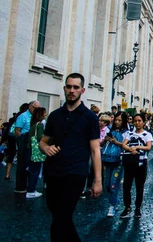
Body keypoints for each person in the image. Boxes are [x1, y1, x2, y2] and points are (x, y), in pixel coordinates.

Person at [39, 73, 102, 241]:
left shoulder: (90, 117)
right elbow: (42, 142)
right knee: (57, 213)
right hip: (53, 171)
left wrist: (97, 180)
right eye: (69, 87)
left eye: (75, 87)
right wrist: (46, 148)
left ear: (82, 90)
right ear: (64, 88)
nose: (71, 91)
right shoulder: (54, 115)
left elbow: (95, 150)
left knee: (62, 216)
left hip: (76, 172)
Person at [120, 113, 153, 219]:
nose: (137, 123)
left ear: (143, 122)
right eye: (135, 121)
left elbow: (148, 147)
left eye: (139, 121)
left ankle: (138, 208)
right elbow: (124, 144)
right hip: (130, 162)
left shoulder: (147, 134)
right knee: (126, 186)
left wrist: (138, 147)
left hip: (141, 163)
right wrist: (130, 149)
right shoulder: (128, 133)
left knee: (139, 187)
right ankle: (127, 207)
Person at [101, 112, 128, 217]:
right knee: (106, 185)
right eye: (116, 120)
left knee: (113, 184)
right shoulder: (109, 129)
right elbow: (101, 144)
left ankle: (112, 205)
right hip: (107, 159)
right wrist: (106, 139)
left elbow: (126, 146)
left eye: (119, 120)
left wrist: (116, 142)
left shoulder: (126, 132)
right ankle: (115, 200)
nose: (117, 122)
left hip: (118, 160)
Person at [14, 100, 41, 192]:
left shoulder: (36, 117)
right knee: (22, 164)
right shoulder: (23, 116)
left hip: (32, 141)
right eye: (35, 108)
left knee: (31, 164)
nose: (36, 110)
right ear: (30, 107)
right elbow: (17, 130)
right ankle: (20, 186)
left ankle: (28, 186)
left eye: (38, 109)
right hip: (24, 140)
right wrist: (21, 141)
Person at [26, 106, 47, 199]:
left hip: (30, 149)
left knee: (32, 170)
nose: (46, 114)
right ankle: (31, 190)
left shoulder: (34, 124)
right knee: (35, 170)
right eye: (44, 112)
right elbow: (39, 137)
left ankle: (30, 189)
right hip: (36, 151)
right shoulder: (40, 125)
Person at [3, 103, 27, 180]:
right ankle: (20, 176)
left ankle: (7, 174)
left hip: (11, 137)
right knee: (22, 156)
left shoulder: (15, 117)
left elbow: (8, 129)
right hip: (20, 137)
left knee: (11, 154)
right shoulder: (25, 117)